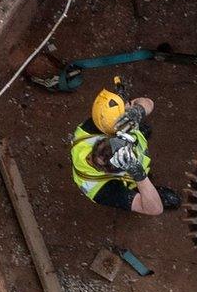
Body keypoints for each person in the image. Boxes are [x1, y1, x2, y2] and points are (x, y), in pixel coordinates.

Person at [70, 77, 180, 214]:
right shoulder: (101, 191)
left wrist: (138, 110)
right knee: (154, 199)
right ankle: (145, 188)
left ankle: (141, 134)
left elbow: (148, 103)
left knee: (141, 129)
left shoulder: (91, 129)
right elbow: (155, 209)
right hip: (132, 179)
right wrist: (139, 174)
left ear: (102, 140)